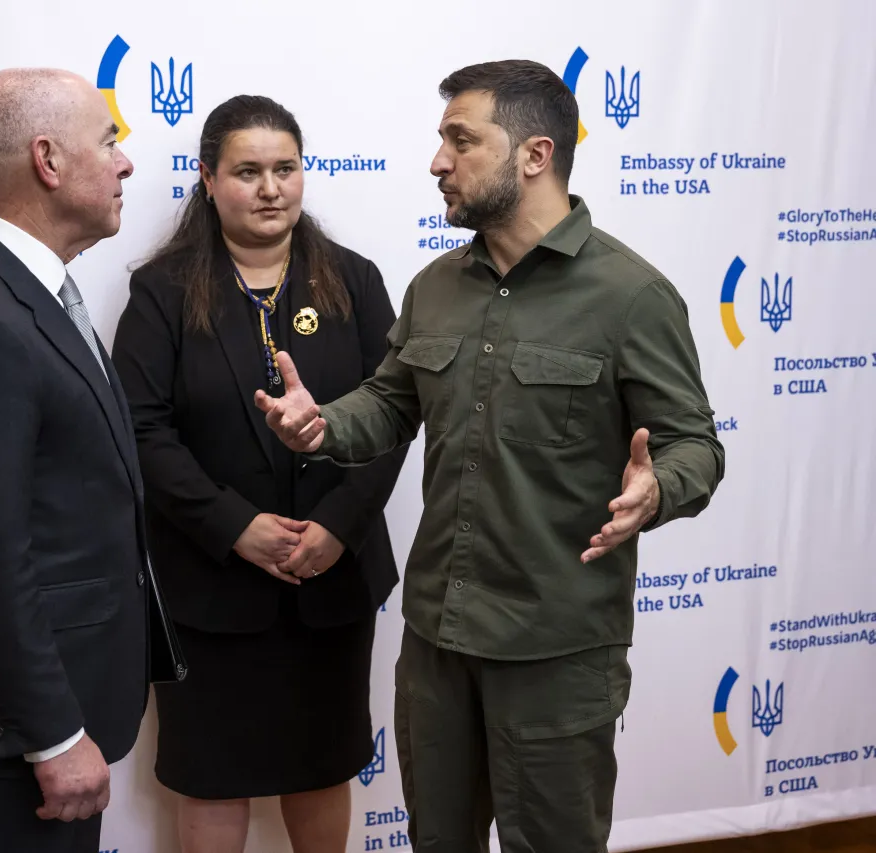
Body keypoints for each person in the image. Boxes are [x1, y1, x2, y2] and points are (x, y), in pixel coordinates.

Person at [256, 60, 725, 852]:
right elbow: (392, 402)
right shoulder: (436, 284)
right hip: (437, 641)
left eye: (460, 140)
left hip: (557, 647)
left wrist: (659, 488)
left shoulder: (632, 295)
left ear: (534, 155)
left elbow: (695, 446)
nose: (438, 161)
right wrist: (323, 426)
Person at [0, 68, 178, 853]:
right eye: (109, 141)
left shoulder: (22, 293)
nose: (125, 164)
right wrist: (50, 733)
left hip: (54, 710)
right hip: (22, 735)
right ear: (48, 161)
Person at [111, 94, 407, 853]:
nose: (270, 187)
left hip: (331, 585)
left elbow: (396, 416)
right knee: (214, 773)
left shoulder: (355, 279)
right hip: (209, 588)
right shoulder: (163, 292)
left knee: (321, 764)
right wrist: (234, 526)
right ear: (208, 179)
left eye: (286, 168)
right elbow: (141, 431)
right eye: (248, 171)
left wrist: (338, 528)